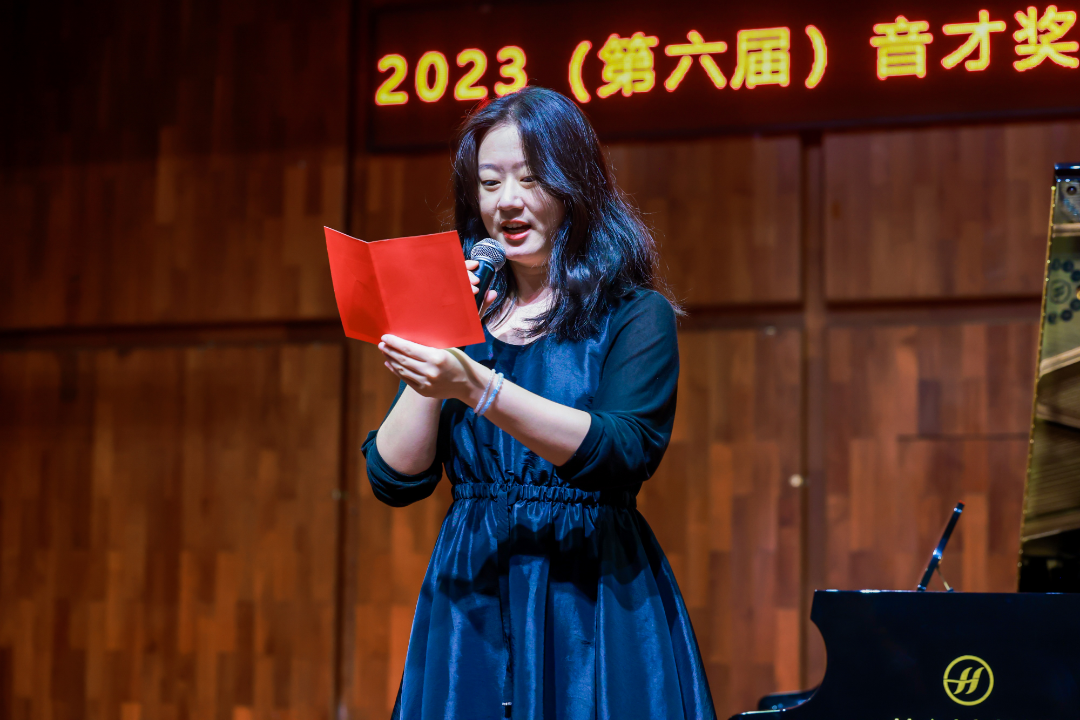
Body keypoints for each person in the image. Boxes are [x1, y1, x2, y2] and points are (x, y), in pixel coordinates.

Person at [363, 86, 716, 720]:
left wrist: (479, 389)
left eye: (529, 178)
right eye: (489, 182)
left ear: (574, 186)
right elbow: (393, 478)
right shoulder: (465, 313)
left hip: (589, 590)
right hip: (470, 593)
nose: (507, 200)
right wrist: (438, 339)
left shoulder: (633, 314)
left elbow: (622, 451)